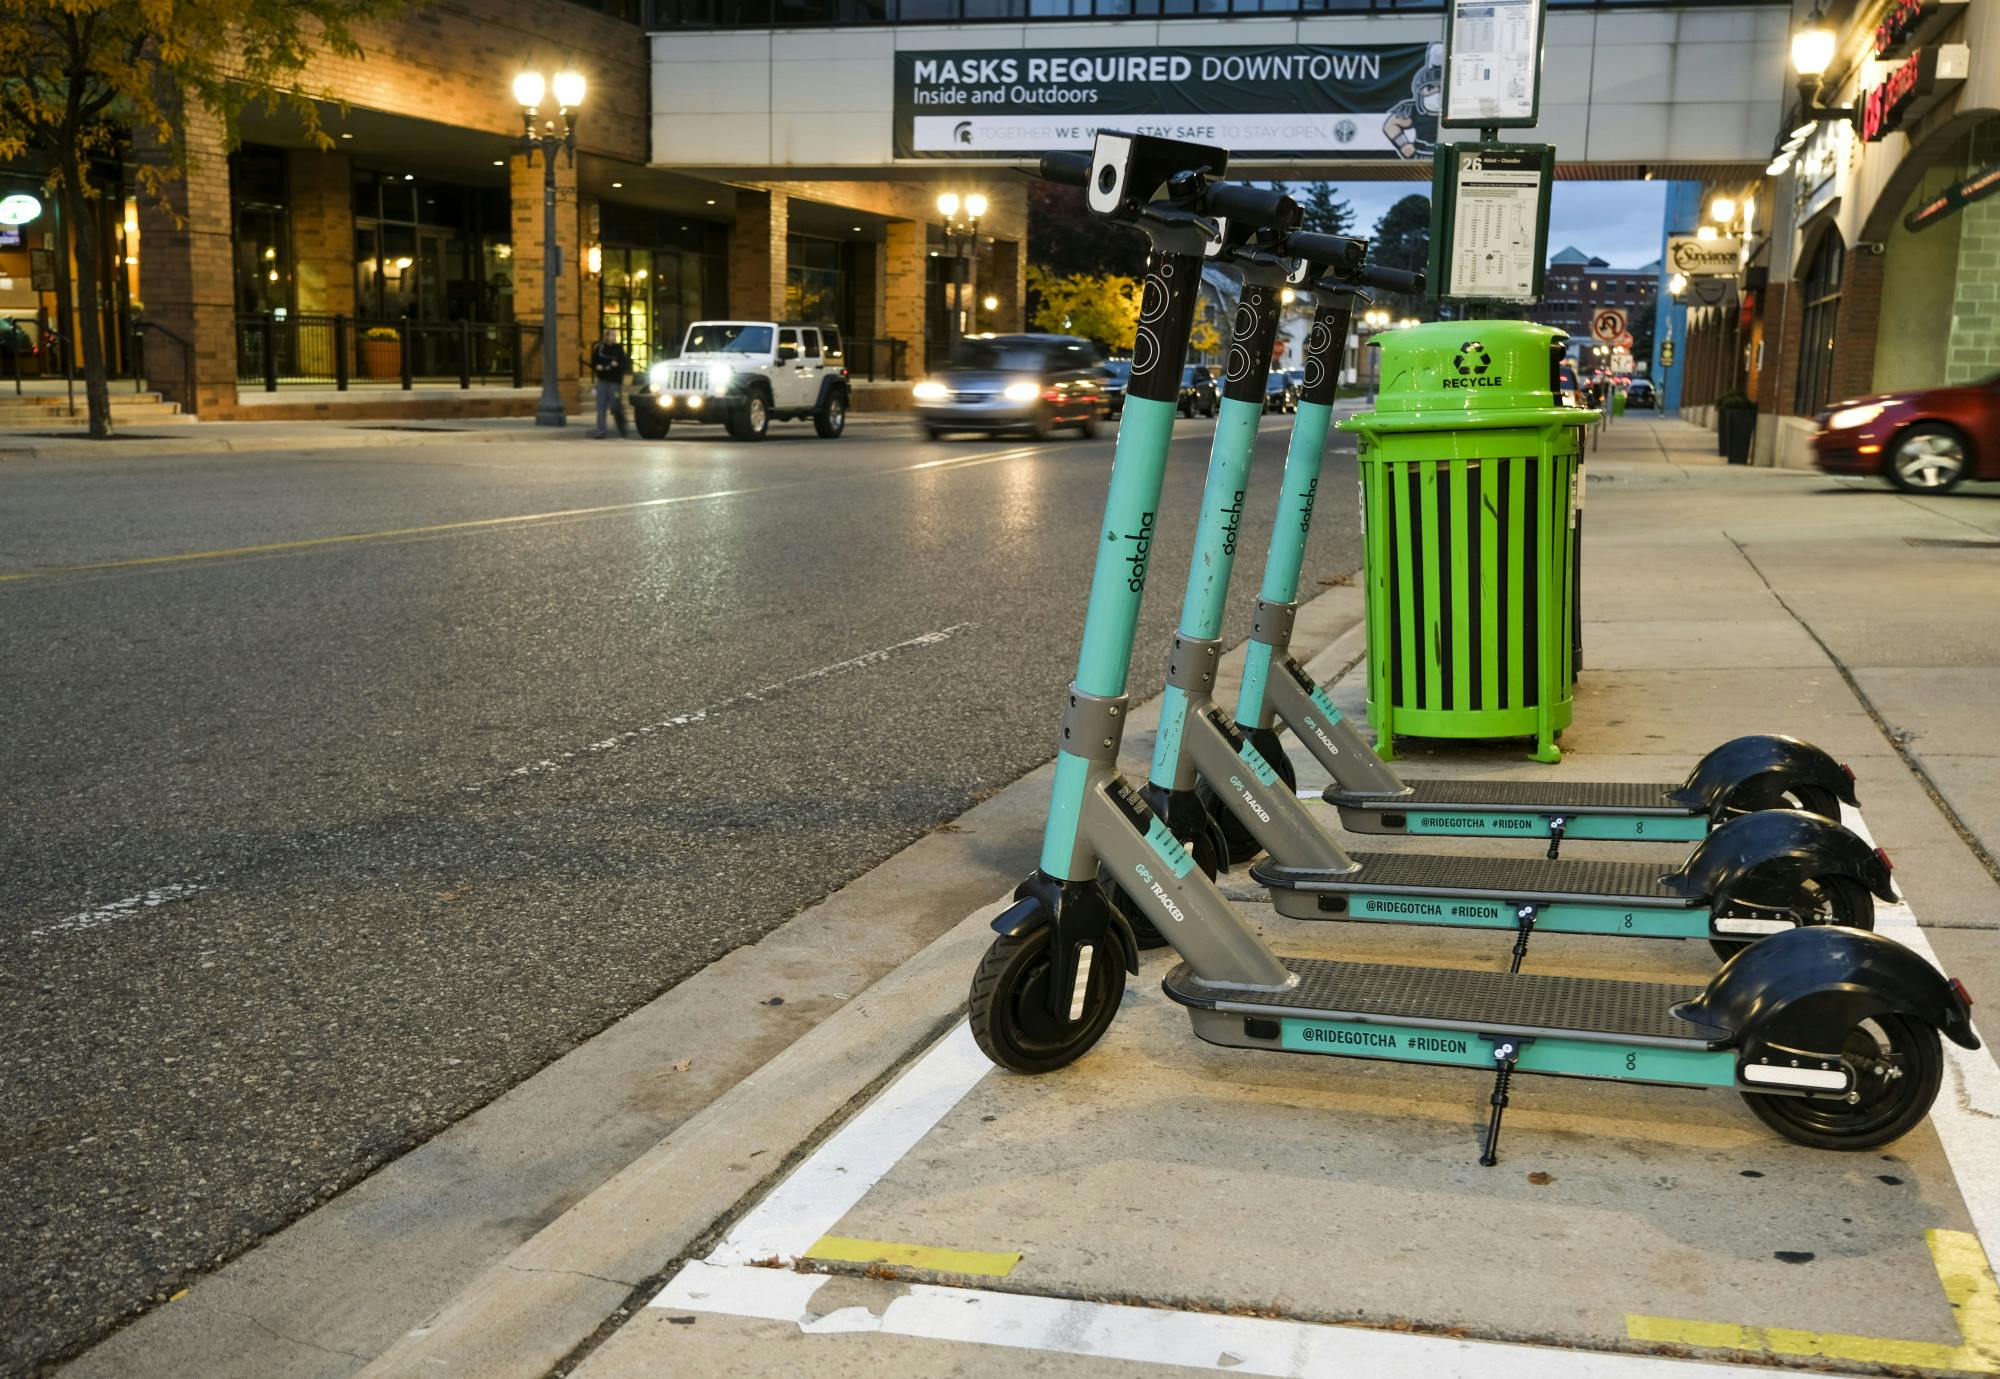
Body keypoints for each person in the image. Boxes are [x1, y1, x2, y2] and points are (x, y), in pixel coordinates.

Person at [590, 327, 632, 439]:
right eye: (612, 335)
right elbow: (594, 362)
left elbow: (624, 364)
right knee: (601, 408)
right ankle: (600, 432)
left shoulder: (618, 349)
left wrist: (617, 365)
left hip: (615, 382)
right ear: (606, 336)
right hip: (602, 381)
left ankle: (622, 428)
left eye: (615, 335)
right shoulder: (600, 348)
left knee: (615, 405)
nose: (614, 337)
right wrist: (597, 367)